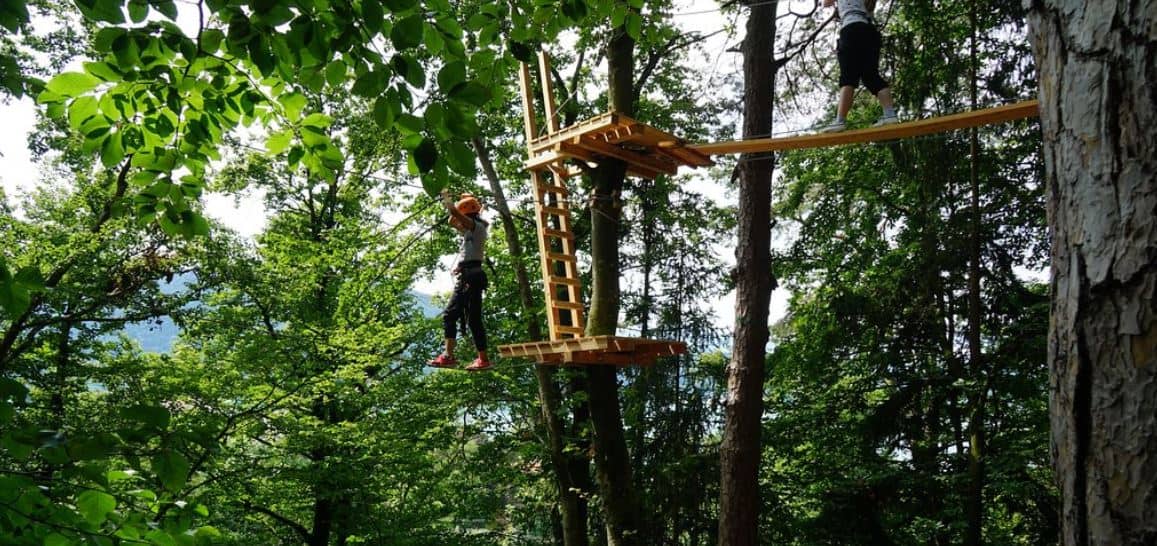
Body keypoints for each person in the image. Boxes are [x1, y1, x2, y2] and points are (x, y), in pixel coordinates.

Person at [428, 191, 493, 371]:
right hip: (470, 275)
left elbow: (455, 215)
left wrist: (446, 199)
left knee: (461, 316)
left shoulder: (476, 227)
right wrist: (461, 201)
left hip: (471, 277)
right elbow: (452, 221)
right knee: (465, 318)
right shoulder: (472, 228)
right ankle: (472, 358)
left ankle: (457, 357)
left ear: (467, 214)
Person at [822, 0, 898, 132]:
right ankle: (890, 115)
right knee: (871, 76)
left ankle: (840, 121)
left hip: (850, 29)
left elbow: (825, 3)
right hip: (869, 31)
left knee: (848, 78)